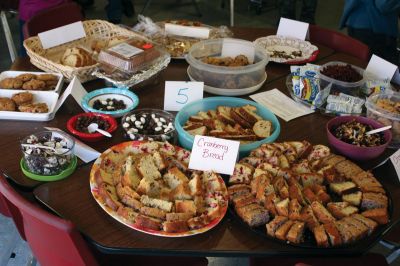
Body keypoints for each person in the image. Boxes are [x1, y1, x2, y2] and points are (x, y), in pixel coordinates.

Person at [340, 0, 400, 65]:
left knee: (361, 66)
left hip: (355, 22)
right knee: (383, 70)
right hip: (374, 28)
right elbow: (384, 5)